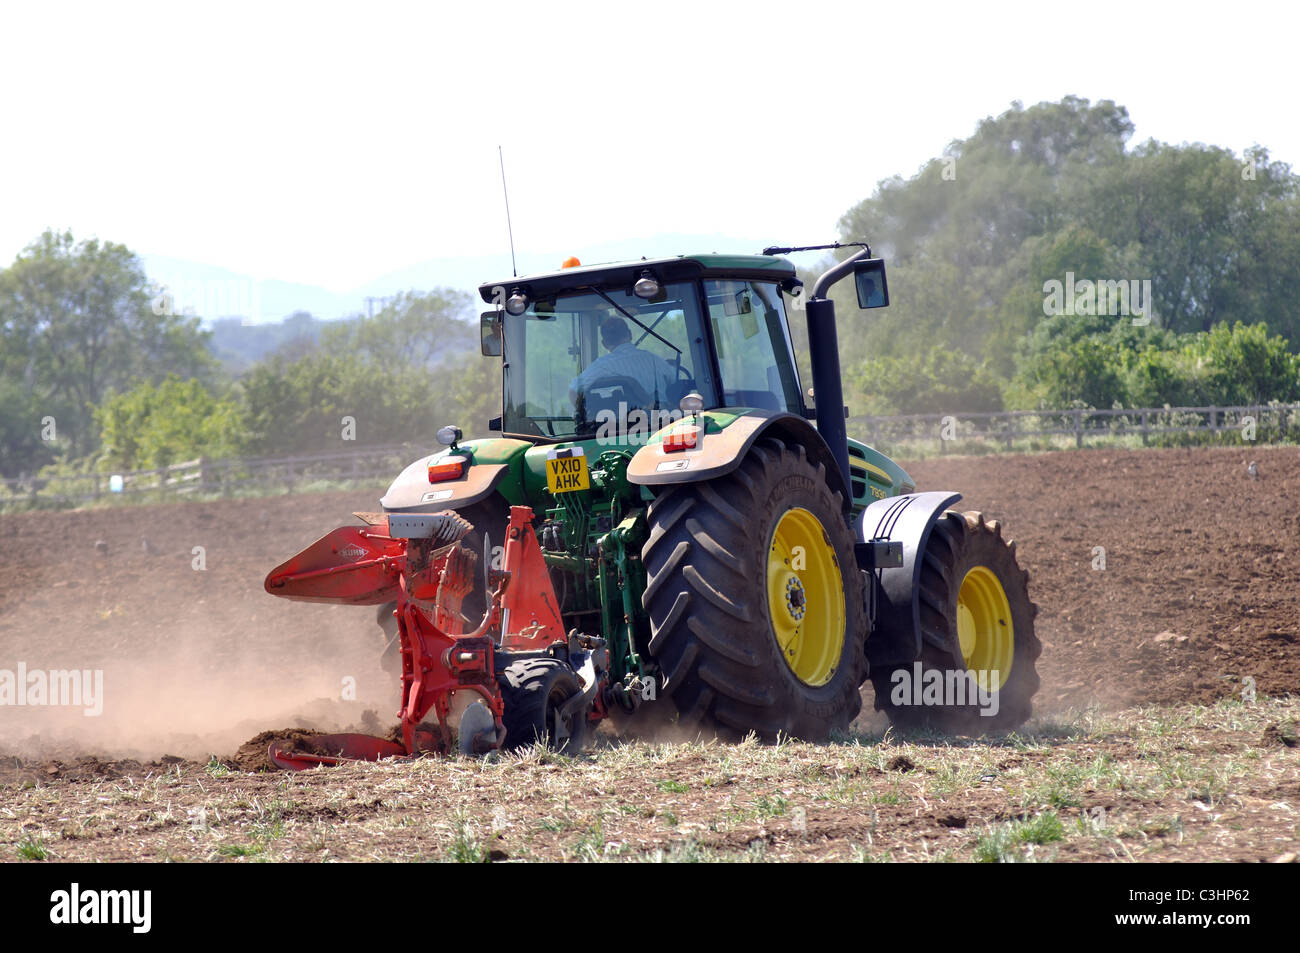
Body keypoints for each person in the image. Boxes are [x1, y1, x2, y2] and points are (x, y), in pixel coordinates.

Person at [569, 316, 676, 410]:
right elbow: (677, 383)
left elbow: (574, 390)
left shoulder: (602, 365)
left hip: (619, 427)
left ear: (604, 343)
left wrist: (586, 417)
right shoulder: (654, 360)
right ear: (630, 334)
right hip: (663, 424)